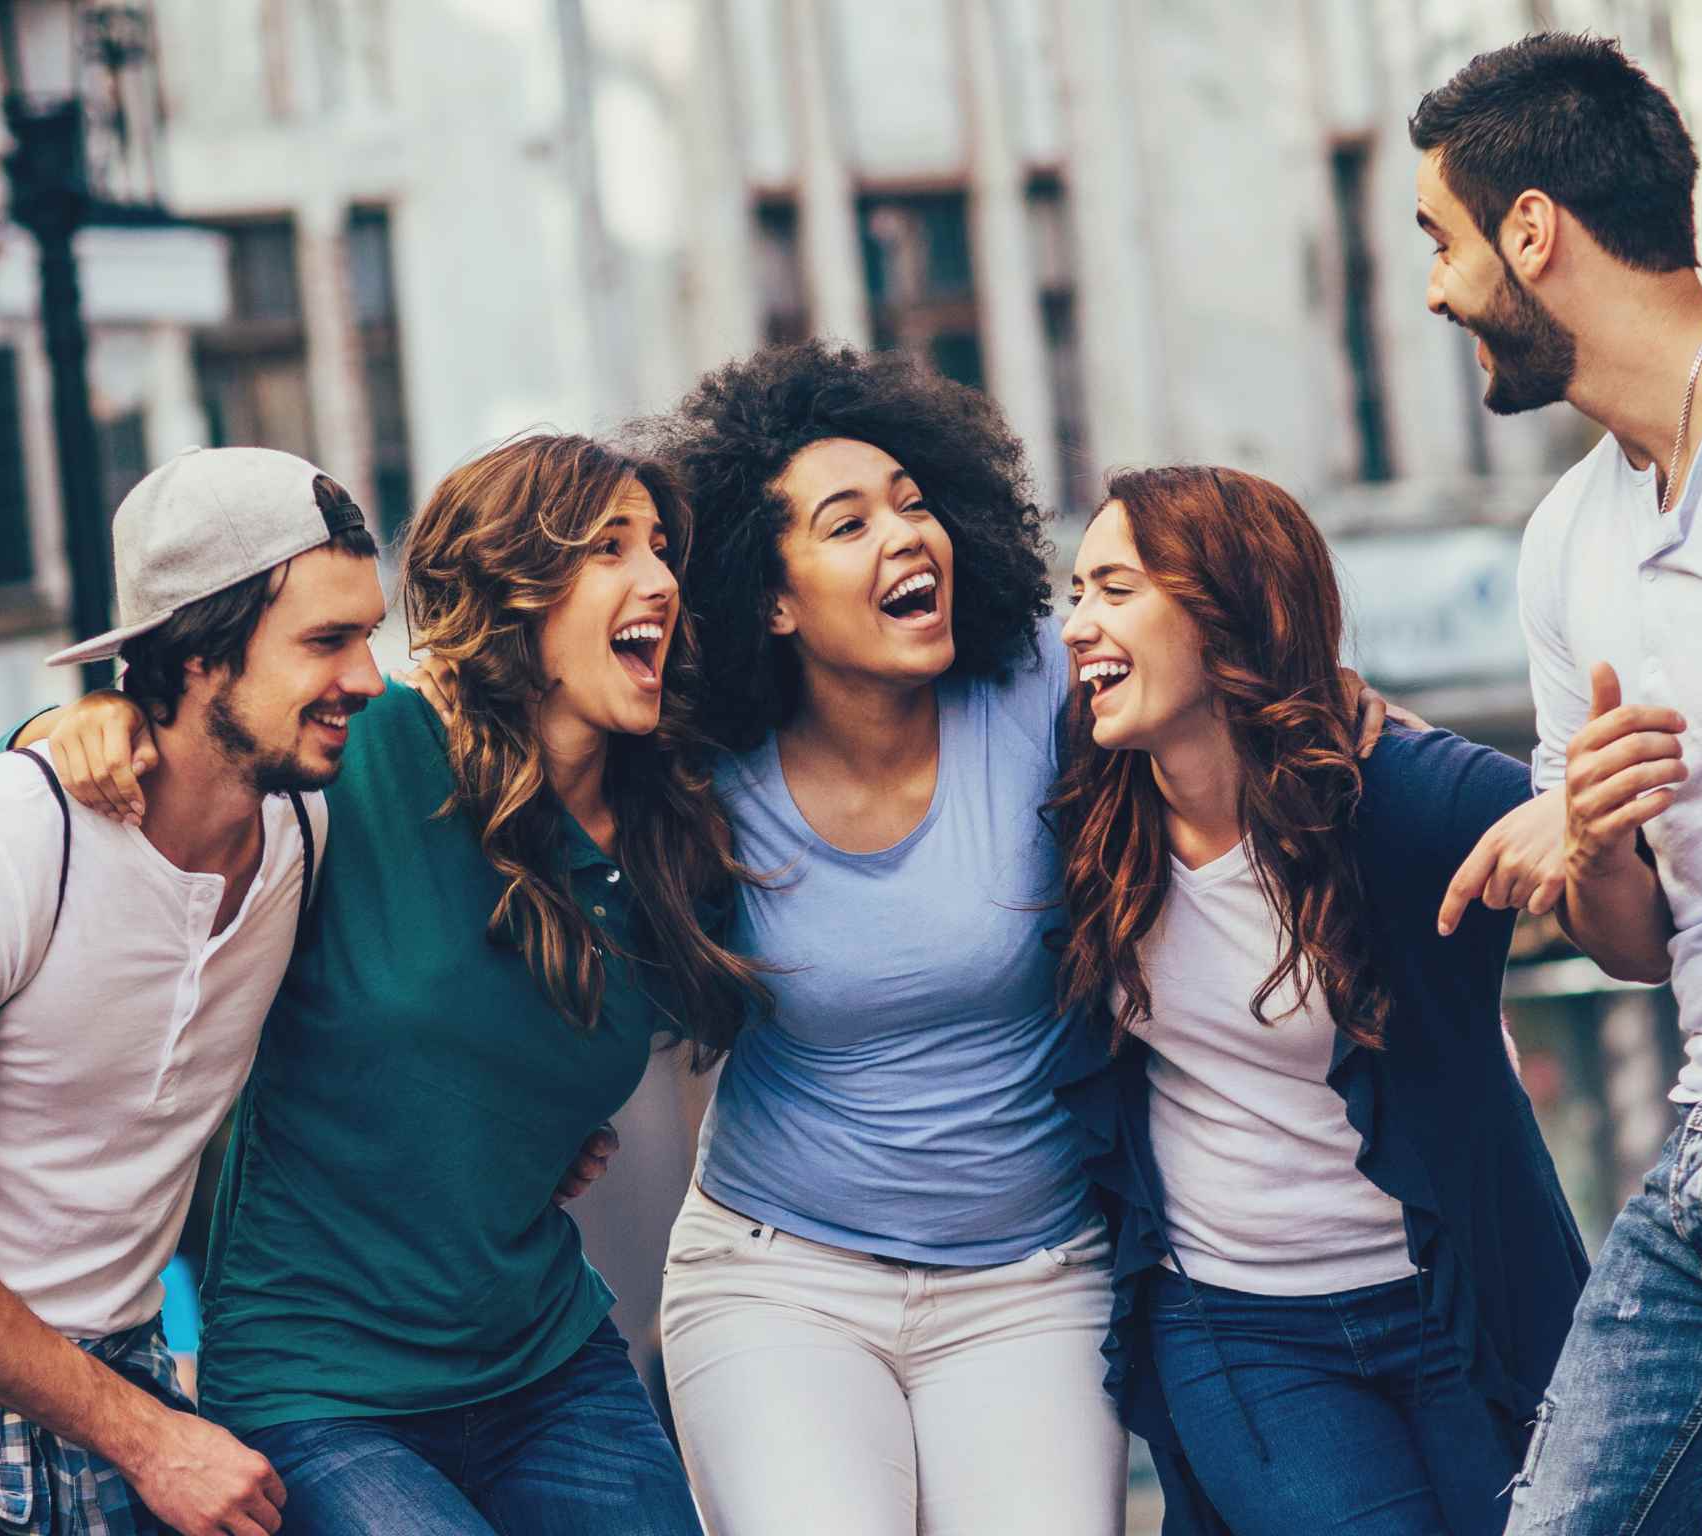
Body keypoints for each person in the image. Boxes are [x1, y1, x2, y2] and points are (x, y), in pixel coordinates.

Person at [640, 342, 1507, 1536]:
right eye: (846, 525)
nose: (906, 537)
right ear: (770, 596)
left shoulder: (1046, 688)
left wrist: (1418, 752)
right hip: (780, 1273)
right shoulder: (702, 774)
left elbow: (1249, 695)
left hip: (1032, 1287)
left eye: (914, 503)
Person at [22, 433, 755, 1536]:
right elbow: (42, 808)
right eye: (607, 549)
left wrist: (518, 1130)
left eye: (658, 549)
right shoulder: (367, 749)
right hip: (321, 1390)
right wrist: (74, 723)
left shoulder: (674, 834)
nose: (655, 578)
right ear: (514, 591)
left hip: (547, 1363)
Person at [1411, 33, 1702, 1534]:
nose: (1436, 287)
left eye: (1443, 238)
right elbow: (1632, 945)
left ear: (1530, 230)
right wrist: (1599, 840)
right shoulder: (1569, 537)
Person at [0, 447, 386, 1535]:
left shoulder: (300, 836)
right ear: (194, 657)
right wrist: (151, 1436)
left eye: (366, 634)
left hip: (130, 1385)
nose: (367, 678)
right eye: (327, 641)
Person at [1046, 466, 1588, 1536]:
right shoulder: (1080, 812)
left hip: (1458, 1305)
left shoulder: (1399, 796)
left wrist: (1569, 804)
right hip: (1239, 1328)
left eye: (1112, 588)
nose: (1076, 627)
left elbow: (1618, 866)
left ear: (1224, 608)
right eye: (1072, 593)